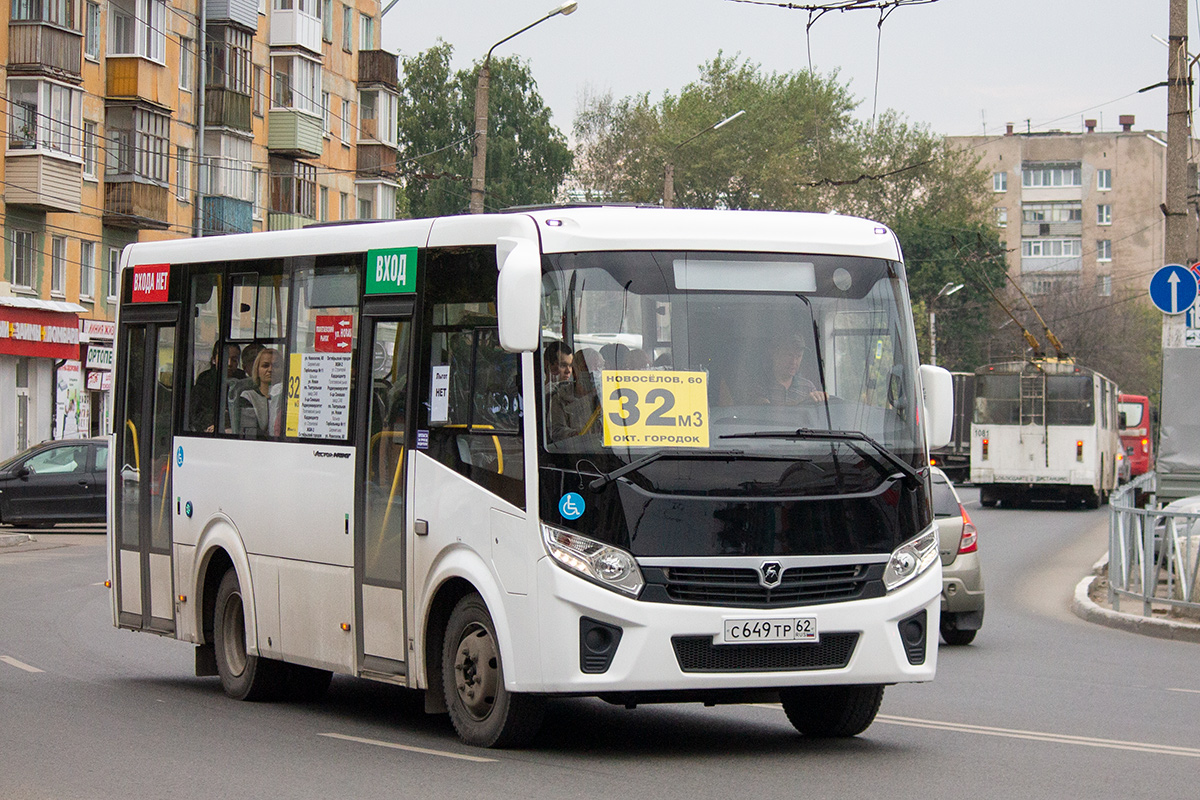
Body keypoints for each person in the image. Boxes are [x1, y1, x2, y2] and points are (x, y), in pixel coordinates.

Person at [742, 332, 826, 405]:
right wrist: (802, 403)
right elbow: (766, 411)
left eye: (798, 356)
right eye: (789, 355)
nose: (794, 361)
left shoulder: (808, 387)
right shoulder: (758, 384)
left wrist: (823, 398)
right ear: (775, 354)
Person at [548, 348, 604, 441]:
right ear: (575, 371)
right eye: (587, 367)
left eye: (599, 367)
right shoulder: (561, 397)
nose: (594, 371)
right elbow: (556, 431)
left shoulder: (609, 397)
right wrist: (577, 435)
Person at [238, 347, 281, 436]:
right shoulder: (248, 397)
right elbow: (251, 432)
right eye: (265, 365)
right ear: (257, 369)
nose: (270, 370)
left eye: (276, 366)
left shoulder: (288, 397)